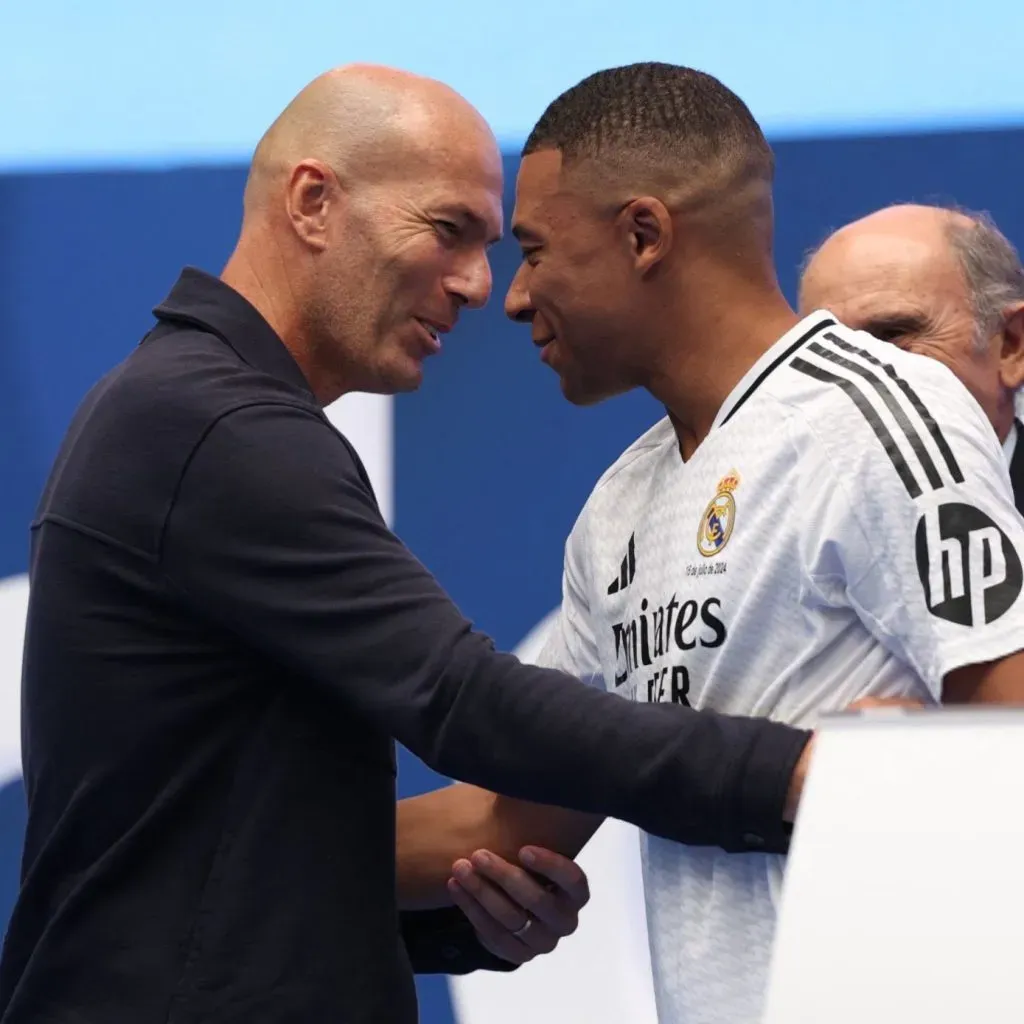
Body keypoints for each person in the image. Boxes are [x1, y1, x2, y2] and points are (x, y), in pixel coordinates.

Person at [0, 64, 822, 1024]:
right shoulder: (217, 427)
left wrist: (451, 922)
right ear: (314, 202)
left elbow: (212, 850)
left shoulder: (196, 412)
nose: (483, 286)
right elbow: (461, 700)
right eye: (450, 230)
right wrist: (805, 774)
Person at [401, 63, 1024, 1024]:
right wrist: (239, 857)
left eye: (533, 251)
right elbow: (509, 819)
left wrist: (898, 775)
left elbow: (1010, 748)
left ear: (644, 234)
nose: (513, 297)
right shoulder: (616, 510)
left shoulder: (883, 412)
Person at [799, 203, 1024, 508]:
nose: (852, 374)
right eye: (829, 347)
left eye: (892, 335)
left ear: (1012, 346)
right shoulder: (766, 518)